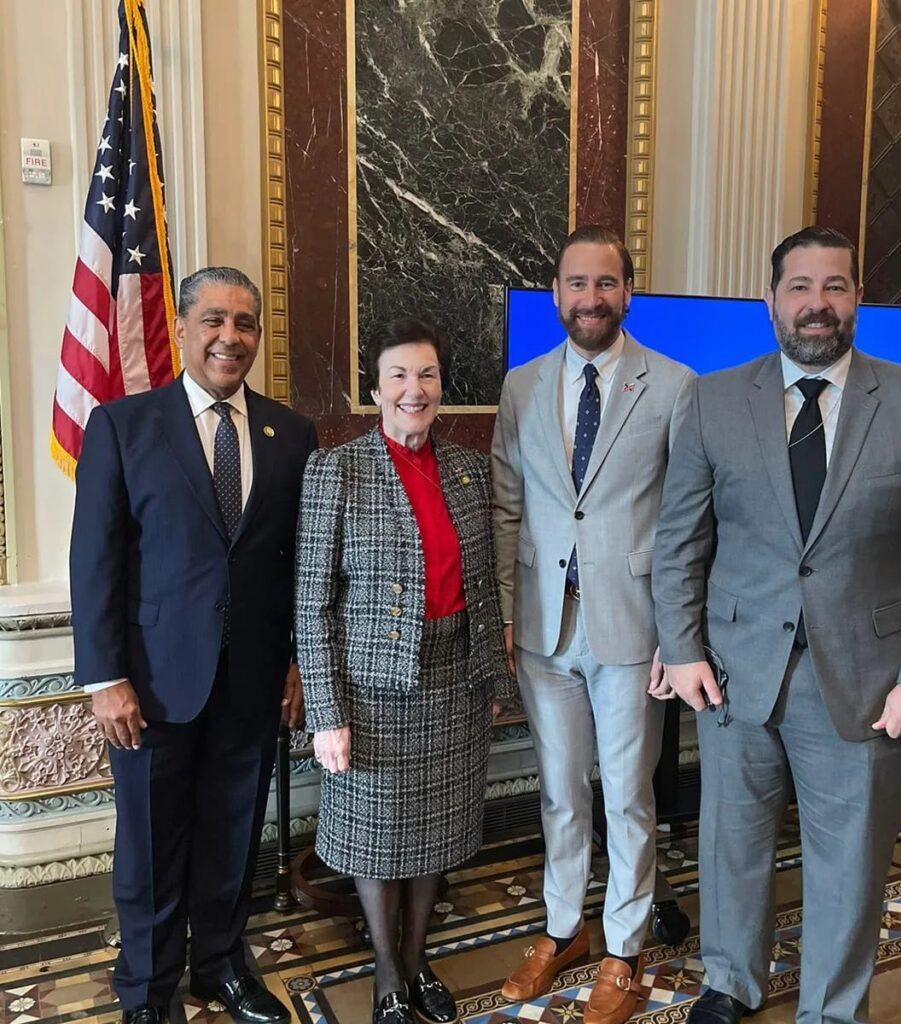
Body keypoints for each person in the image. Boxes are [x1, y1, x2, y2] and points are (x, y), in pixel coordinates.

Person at [652, 226, 901, 1024]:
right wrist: (681, 645)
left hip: (867, 681)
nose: (817, 304)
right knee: (732, 844)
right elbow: (678, 540)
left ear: (857, 298)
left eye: (834, 286)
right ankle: (731, 981)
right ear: (770, 301)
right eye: (800, 287)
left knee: (849, 862)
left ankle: (832, 1010)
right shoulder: (711, 399)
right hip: (733, 673)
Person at [70, 267, 319, 1024]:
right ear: (181, 328)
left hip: (251, 682)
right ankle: (147, 992)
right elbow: (96, 560)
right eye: (214, 320)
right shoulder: (123, 425)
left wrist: (296, 660)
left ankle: (221, 966)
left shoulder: (290, 434)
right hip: (151, 684)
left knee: (233, 834)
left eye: (245, 324)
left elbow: (297, 563)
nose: (229, 338)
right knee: (150, 847)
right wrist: (104, 677)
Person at [491, 225, 695, 1024]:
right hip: (545, 626)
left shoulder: (674, 385)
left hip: (633, 627)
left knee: (629, 796)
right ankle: (561, 928)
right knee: (560, 792)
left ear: (628, 292)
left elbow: (688, 521)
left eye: (606, 283)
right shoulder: (522, 386)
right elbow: (508, 505)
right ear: (556, 294)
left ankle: (623, 949)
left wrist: (678, 633)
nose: (591, 298)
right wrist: (508, 612)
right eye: (577, 283)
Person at [295, 317, 514, 1024]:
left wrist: (492, 675)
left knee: (436, 836)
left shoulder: (468, 470)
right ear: (375, 389)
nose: (413, 389)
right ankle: (388, 974)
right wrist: (327, 712)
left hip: (456, 682)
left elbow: (485, 585)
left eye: (426, 374)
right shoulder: (337, 470)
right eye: (398, 375)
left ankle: (418, 963)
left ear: (441, 386)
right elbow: (311, 603)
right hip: (372, 691)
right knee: (377, 839)